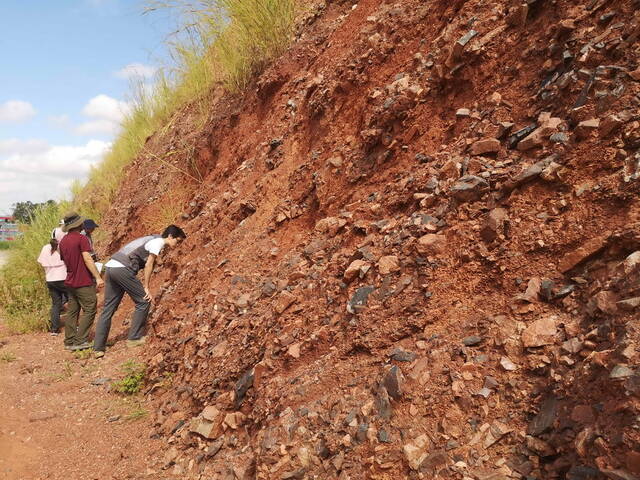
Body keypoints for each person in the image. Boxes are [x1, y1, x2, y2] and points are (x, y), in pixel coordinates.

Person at [93, 225, 186, 358]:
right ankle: (134, 338)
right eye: (177, 241)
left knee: (108, 308)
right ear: (170, 236)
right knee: (144, 300)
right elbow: (148, 264)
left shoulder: (153, 239)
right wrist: (146, 287)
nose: (177, 244)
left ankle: (98, 348)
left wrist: (159, 261)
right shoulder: (158, 242)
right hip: (123, 269)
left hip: (111, 267)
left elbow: (151, 256)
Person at [58, 212, 103, 351]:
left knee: (72, 311)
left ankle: (69, 341)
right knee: (90, 308)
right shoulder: (81, 239)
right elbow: (87, 258)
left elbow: (64, 260)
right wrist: (98, 277)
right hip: (83, 281)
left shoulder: (63, 241)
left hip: (70, 281)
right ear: (79, 224)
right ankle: (80, 340)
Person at [37, 238, 67, 335]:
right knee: (73, 300)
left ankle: (54, 329)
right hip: (63, 277)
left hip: (50, 279)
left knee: (56, 304)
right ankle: (74, 325)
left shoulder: (45, 248)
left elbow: (41, 262)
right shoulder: (62, 247)